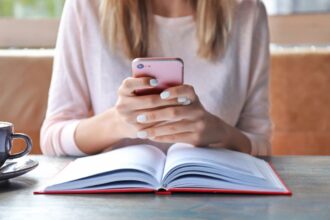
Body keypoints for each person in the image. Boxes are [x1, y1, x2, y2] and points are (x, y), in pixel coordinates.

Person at [41, 0, 271, 157]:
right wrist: (117, 122)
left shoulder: (247, 11)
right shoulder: (86, 7)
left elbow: (261, 145)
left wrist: (222, 133)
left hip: (215, 200)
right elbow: (52, 137)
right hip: (116, 200)